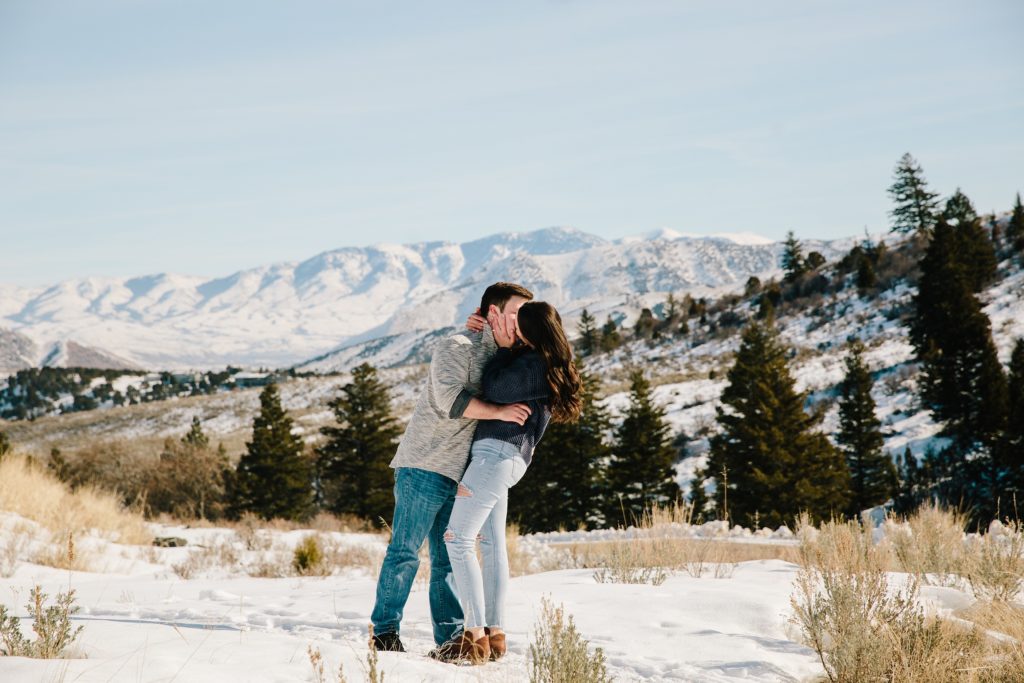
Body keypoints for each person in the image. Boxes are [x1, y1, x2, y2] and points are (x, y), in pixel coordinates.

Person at [369, 282, 534, 653]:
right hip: (425, 464)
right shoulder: (456, 346)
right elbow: (448, 399)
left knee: (447, 560)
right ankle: (384, 632)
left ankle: (451, 640)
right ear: (492, 313)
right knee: (405, 552)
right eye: (514, 315)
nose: (521, 324)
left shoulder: (509, 356)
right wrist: (498, 411)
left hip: (463, 473)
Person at [437, 301, 582, 664]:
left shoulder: (534, 365)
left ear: (532, 331)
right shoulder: (538, 359)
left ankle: (473, 637)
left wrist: (501, 350)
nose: (512, 328)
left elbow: (495, 387)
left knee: (457, 539)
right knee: (490, 543)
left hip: (496, 456)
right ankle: (495, 634)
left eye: (518, 324)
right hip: (502, 458)